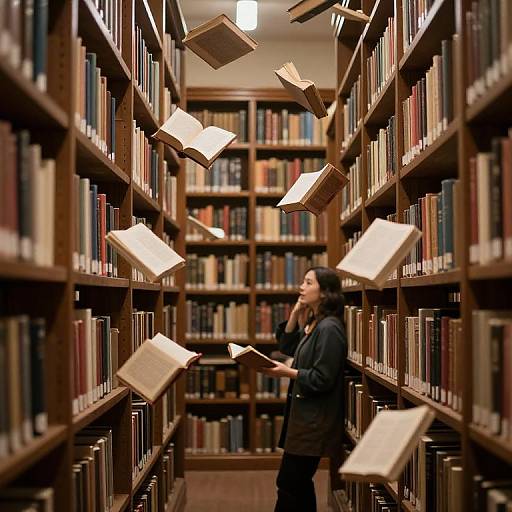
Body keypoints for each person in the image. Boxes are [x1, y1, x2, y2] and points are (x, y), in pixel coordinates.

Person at [262, 266, 347, 512]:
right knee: (297, 483)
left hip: (314, 421)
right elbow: (288, 346)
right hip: (303, 418)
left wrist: (286, 372)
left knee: (289, 482)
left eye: (308, 283)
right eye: (303, 281)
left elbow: (324, 378)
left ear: (325, 292)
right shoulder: (314, 323)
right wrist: (296, 312)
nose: (301, 286)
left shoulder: (329, 329)